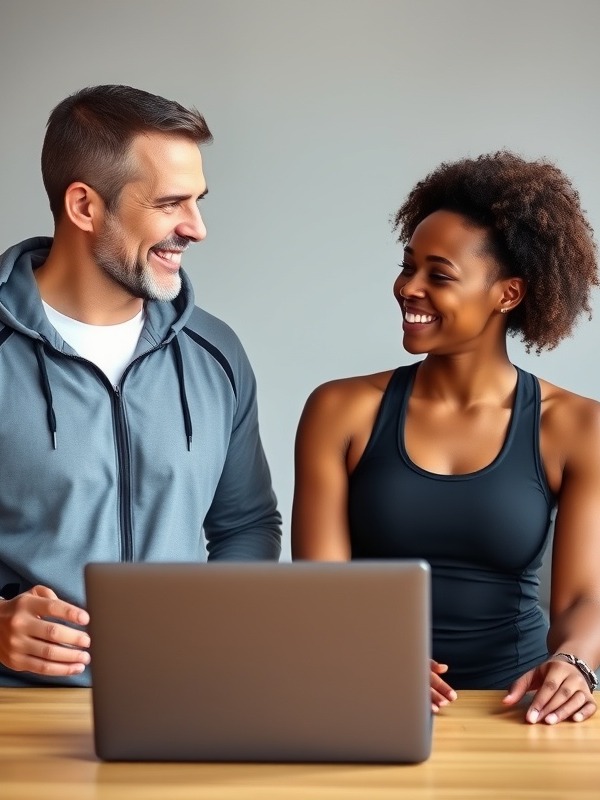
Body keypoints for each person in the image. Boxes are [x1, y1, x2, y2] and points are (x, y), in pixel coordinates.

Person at [292, 151, 600, 725]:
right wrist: (373, 658)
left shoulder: (577, 426)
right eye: (408, 266)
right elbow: (321, 587)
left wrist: (575, 664)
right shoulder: (341, 410)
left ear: (508, 294)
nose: (408, 287)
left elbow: (584, 598)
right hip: (366, 696)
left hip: (518, 711)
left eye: (439, 274)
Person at [0, 85, 281, 687]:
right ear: (84, 206)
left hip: (182, 700)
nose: (197, 228)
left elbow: (247, 525)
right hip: (22, 715)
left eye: (198, 201)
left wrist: (214, 618)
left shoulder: (215, 352)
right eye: (170, 203)